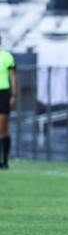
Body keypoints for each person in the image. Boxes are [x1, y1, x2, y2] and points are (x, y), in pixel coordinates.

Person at [0, 35, 17, 169]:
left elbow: (13, 77)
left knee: (3, 128)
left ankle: (5, 160)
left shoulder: (7, 57)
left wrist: (13, 95)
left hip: (3, 93)